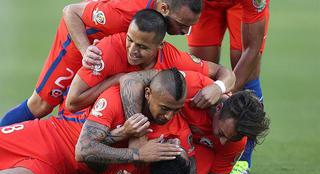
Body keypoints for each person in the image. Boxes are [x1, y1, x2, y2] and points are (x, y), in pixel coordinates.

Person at [0, 0, 202, 125]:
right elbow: (71, 11)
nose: (185, 33)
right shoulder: (125, 13)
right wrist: (85, 49)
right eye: (183, 25)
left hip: (112, 50)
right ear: (164, 8)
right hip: (83, 43)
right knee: (41, 105)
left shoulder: (153, 19)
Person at [0, 68, 192, 174]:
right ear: (148, 94)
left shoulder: (139, 170)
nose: (169, 116)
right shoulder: (117, 98)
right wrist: (137, 152)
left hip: (56, 170)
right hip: (43, 139)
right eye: (165, 108)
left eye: (176, 110)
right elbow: (83, 150)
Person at [65, 9, 235, 115]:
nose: (132, 50)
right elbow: (72, 103)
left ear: (160, 45)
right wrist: (117, 80)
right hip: (91, 123)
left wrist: (217, 87)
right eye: (130, 40)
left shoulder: (172, 57)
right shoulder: (107, 50)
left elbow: (226, 73)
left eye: (142, 47)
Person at [118, 69, 270, 174]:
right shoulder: (192, 87)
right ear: (219, 108)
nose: (223, 142)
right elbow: (129, 80)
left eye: (232, 138)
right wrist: (137, 135)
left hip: (191, 153)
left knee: (194, 162)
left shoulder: (236, 141)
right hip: (152, 130)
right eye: (222, 133)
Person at [186, 0, 270, 174]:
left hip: (241, 5)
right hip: (204, 4)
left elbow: (252, 48)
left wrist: (224, 90)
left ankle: (242, 161)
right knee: (202, 73)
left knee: (248, 74)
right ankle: (202, 147)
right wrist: (215, 86)